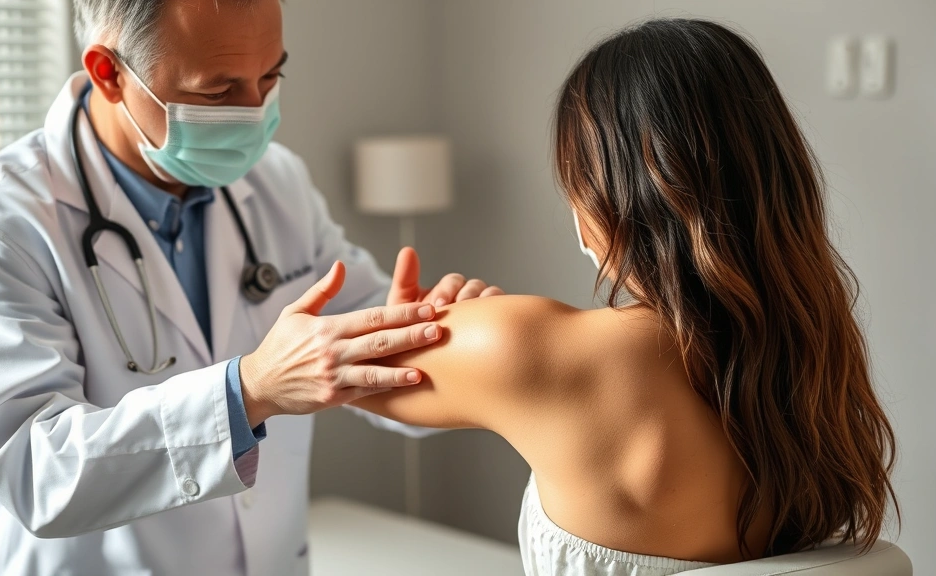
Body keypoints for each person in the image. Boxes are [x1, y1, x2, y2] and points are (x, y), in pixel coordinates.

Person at [0, 1, 502, 574]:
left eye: (270, 77)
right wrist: (249, 391)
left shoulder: (278, 183)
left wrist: (425, 336)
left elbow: (365, 348)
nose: (256, 113)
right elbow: (33, 471)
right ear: (110, 74)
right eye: (218, 94)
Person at [352, 19, 899, 576]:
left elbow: (343, 373)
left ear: (611, 195)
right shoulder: (816, 364)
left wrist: (417, 325)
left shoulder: (529, 345)